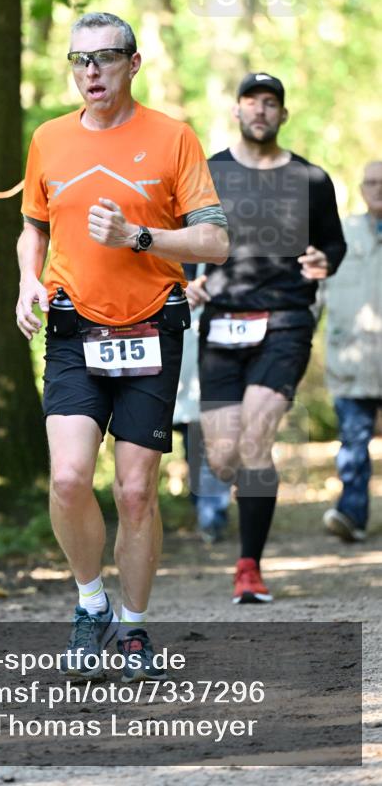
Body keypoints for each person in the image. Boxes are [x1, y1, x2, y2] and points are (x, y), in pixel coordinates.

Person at [16, 12, 229, 679]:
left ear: (132, 65)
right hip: (74, 326)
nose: (90, 72)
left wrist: (139, 237)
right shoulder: (47, 140)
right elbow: (33, 230)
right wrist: (26, 281)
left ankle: (133, 627)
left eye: (105, 59)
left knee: (136, 491)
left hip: (150, 324)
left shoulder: (172, 138)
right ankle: (89, 603)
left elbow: (214, 242)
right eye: (79, 60)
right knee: (68, 477)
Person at [186, 72, 346, 604]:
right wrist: (190, 279)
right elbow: (187, 239)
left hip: (284, 321)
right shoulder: (209, 174)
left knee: (255, 442)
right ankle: (244, 527)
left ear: (283, 113)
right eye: (251, 101)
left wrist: (325, 261)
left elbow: (333, 246)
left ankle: (249, 565)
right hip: (222, 325)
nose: (260, 110)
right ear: (236, 110)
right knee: (224, 456)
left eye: (270, 102)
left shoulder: (311, 179)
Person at [321, 160, 382, 542]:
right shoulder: (339, 236)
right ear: (362, 189)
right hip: (350, 363)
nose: (379, 188)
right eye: (372, 182)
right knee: (353, 448)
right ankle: (352, 517)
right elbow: (313, 295)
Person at [173, 277, 231, 543]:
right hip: (183, 366)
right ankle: (206, 511)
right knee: (193, 447)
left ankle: (211, 516)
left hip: (218, 361)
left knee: (214, 447)